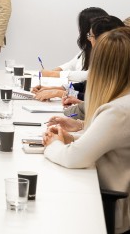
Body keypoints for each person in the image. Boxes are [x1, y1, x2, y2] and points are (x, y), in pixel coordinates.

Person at [43, 27, 130, 233]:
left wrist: (52, 144)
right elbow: (107, 138)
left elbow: (74, 158)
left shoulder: (119, 111)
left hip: (109, 207)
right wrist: (73, 135)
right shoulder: (122, 103)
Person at [35, 15, 125, 102]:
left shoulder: (119, 65)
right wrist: (59, 88)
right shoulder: (109, 59)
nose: (89, 39)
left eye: (91, 35)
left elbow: (96, 99)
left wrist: (60, 93)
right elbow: (87, 84)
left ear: (104, 39)